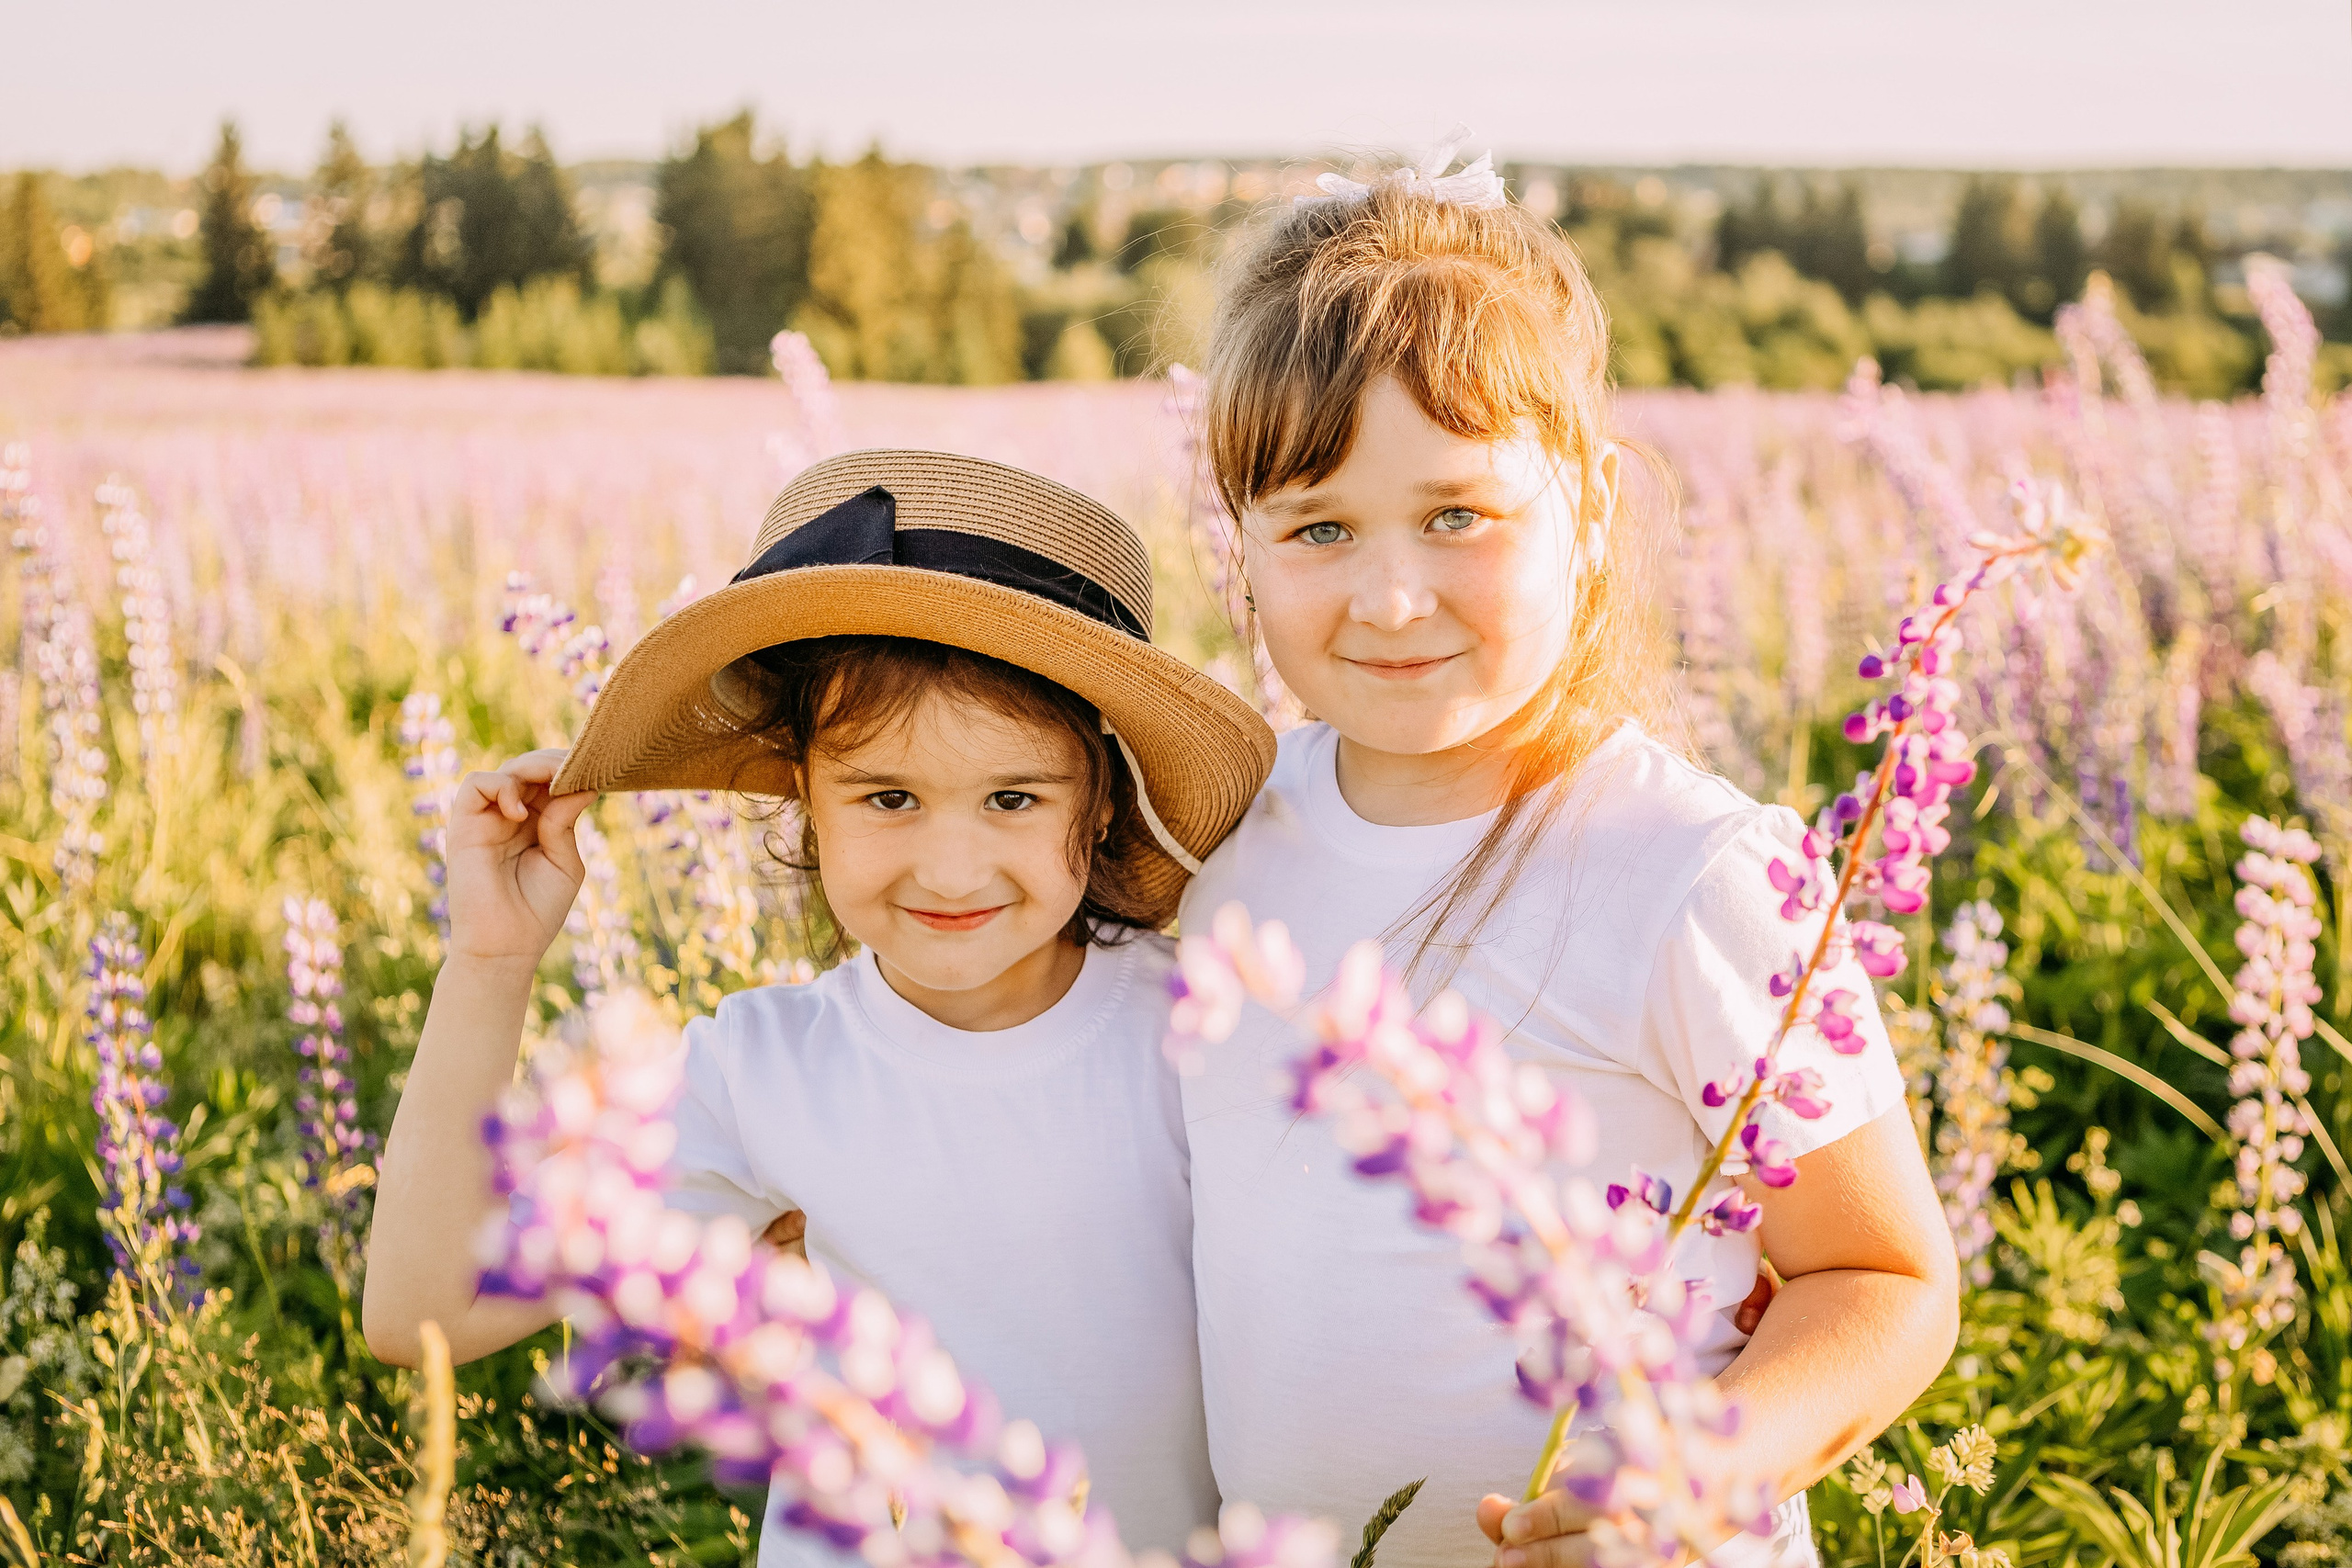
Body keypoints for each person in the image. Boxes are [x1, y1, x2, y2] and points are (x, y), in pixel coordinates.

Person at [1179, 158, 1959, 1566]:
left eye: (1460, 514)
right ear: (1239, 541)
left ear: (1591, 510)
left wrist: (1697, 1474)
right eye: (1318, 526)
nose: (1392, 593)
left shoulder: (1696, 871)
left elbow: (1883, 1275)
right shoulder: (1219, 838)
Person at [362, 450, 1275, 1566]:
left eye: (1011, 797)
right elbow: (425, 1309)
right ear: (802, 797)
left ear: (1096, 803)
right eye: (887, 796)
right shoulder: (764, 1068)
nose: (949, 869)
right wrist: (490, 962)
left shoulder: (1200, 1029)